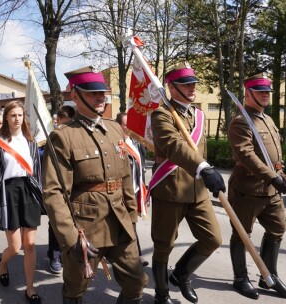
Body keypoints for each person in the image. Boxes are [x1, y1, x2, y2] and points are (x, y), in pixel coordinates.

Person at [42, 66, 148, 304]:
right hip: (85, 226)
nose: (100, 98)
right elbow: (54, 192)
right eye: (92, 94)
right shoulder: (64, 136)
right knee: (76, 286)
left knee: (136, 281)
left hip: (120, 221)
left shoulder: (114, 129)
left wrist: (131, 214)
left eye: (102, 93)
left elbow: (125, 178)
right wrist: (70, 239)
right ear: (75, 96)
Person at [150, 62, 225, 304]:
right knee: (163, 245)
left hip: (197, 191)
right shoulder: (161, 114)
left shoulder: (199, 115)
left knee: (213, 239)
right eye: (186, 84)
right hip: (170, 188)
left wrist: (208, 173)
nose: (192, 88)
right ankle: (161, 294)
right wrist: (204, 168)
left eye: (193, 84)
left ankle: (182, 274)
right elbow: (174, 145)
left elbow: (200, 150)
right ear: (172, 87)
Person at [227, 73, 286, 299]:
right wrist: (271, 176)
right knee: (242, 234)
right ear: (248, 93)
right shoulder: (240, 121)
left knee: (277, 229)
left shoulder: (267, 119)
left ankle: (269, 277)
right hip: (248, 189)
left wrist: (280, 174)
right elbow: (246, 155)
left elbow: (273, 153)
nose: (266, 95)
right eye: (260, 91)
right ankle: (240, 278)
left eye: (267, 92)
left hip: (272, 188)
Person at [0, 101, 44, 304]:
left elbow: (37, 172)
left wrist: (42, 196)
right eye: (13, 115)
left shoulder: (32, 142)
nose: (17, 119)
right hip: (7, 192)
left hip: (28, 191)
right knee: (15, 247)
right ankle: (3, 264)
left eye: (20, 115)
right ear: (6, 118)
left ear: (24, 118)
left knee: (30, 244)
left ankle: (30, 288)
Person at [116, 112, 149, 267]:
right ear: (119, 126)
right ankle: (136, 255)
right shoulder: (116, 144)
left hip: (136, 189)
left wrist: (144, 191)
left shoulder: (136, 144)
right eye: (125, 125)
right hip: (121, 192)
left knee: (130, 223)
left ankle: (128, 253)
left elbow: (141, 169)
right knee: (130, 223)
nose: (129, 128)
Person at [47, 105, 75, 275]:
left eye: (67, 124)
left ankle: (70, 252)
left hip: (76, 187)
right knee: (56, 222)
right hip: (58, 186)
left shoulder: (78, 136)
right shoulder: (54, 138)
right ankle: (54, 256)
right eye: (60, 124)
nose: (63, 128)